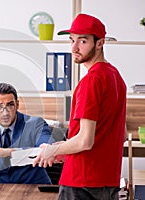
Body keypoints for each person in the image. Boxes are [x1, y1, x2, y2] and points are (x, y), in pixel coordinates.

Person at [33, 13, 127, 199]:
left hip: (81, 183)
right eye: (72, 40)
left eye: (82, 41)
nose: (74, 47)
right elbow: (120, 134)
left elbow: (85, 141)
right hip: (108, 183)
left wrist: (52, 150)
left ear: (100, 43)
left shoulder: (91, 81)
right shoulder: (115, 77)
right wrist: (60, 148)